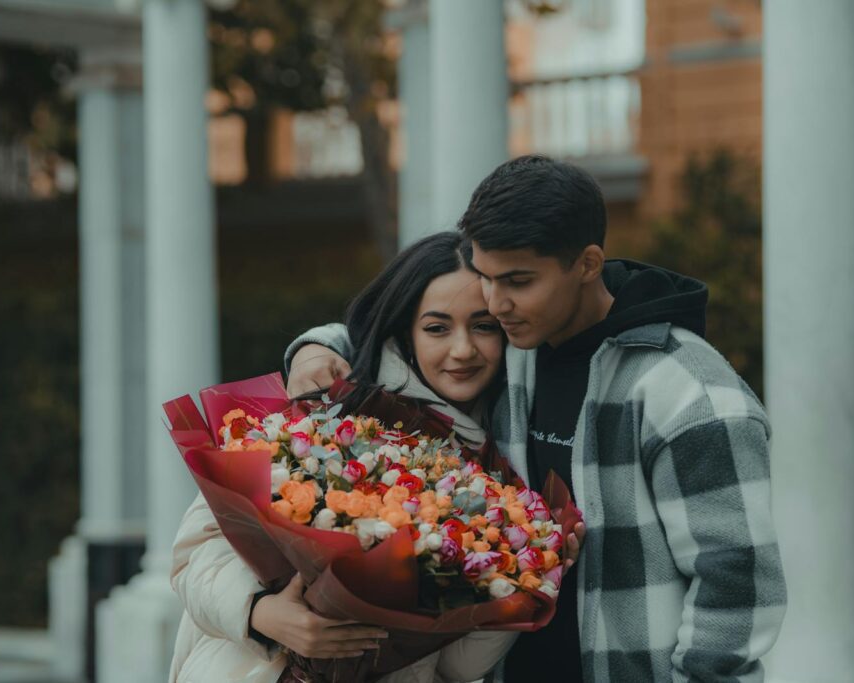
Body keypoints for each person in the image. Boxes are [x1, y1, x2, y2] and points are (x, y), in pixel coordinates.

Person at [285, 155, 787, 682]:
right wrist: (316, 348)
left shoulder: (688, 392)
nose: (497, 303)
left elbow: (737, 584)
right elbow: (398, 339)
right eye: (486, 277)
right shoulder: (514, 352)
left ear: (588, 264)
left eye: (518, 281)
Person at [171, 231, 564, 683]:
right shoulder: (330, 406)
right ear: (405, 331)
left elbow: (463, 666)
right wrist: (263, 614)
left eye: (483, 326)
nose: (463, 349)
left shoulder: (498, 469)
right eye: (437, 327)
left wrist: (534, 572)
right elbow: (195, 552)